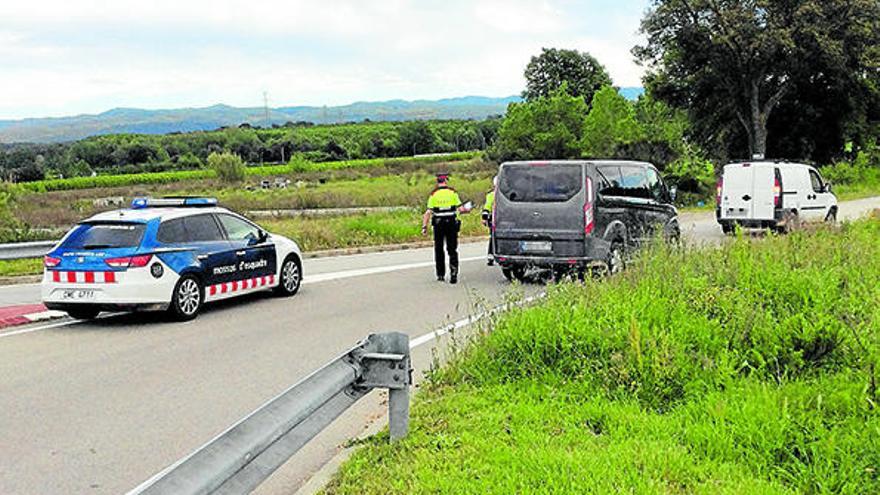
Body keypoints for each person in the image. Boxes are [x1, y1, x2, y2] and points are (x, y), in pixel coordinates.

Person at [421, 173, 471, 284]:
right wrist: (467, 209)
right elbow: (461, 209)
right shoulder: (452, 193)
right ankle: (454, 272)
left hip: (438, 224)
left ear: (437, 182)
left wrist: (424, 226)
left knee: (439, 249)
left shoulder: (433, 195)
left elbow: (428, 212)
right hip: (451, 224)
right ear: (446, 181)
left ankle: (440, 274)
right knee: (452, 249)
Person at [481, 176, 497, 266]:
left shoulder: (491, 195)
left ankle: (490, 256)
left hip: (493, 219)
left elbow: (486, 208)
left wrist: (484, 218)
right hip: (502, 219)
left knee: (493, 237)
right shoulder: (504, 194)